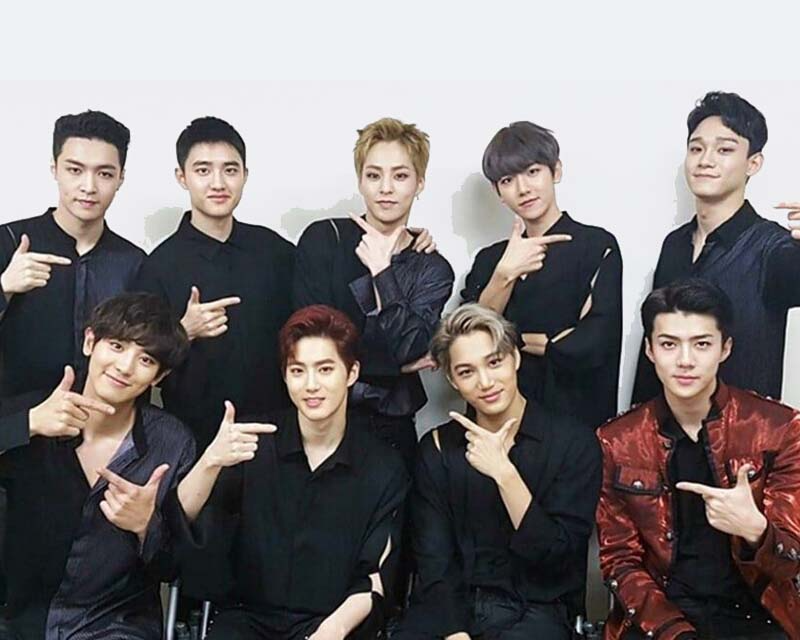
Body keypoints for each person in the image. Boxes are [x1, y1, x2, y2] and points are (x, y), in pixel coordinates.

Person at [165, 305, 409, 640]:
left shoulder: (383, 466)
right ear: (285, 376)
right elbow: (179, 529)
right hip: (246, 621)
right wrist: (210, 462)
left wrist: (333, 630)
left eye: (325, 369)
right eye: (297, 371)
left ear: (352, 372)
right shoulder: (253, 442)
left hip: (333, 624)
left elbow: (377, 575)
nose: (311, 385)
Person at [597, 279, 798, 639]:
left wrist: (756, 530)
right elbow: (620, 561)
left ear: (725, 348)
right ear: (650, 350)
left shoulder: (778, 428)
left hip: (755, 614)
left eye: (702, 344)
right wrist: (675, 632)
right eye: (669, 344)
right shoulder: (618, 440)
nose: (685, 360)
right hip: (659, 616)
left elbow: (791, 563)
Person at [396, 303, 601, 639]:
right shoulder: (437, 448)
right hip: (448, 608)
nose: (486, 382)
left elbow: (558, 556)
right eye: (467, 372)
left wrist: (505, 474)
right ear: (452, 380)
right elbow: (434, 560)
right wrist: (454, 631)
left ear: (515, 358)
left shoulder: (572, 443)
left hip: (536, 609)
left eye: (494, 362)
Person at [0, 293, 195, 639]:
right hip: (18, 618)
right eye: (117, 346)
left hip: (115, 624)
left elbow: (177, 568)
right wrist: (26, 425)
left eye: (146, 359)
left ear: (159, 376)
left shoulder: (171, 443)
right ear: (90, 342)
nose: (125, 367)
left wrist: (146, 527)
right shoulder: (28, 412)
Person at [293, 117, 454, 469]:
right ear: (360, 181)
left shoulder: (432, 268)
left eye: (400, 176)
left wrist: (382, 271)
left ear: (420, 183)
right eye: (374, 175)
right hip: (321, 421)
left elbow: (408, 346)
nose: (386, 188)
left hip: (391, 426)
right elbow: (307, 342)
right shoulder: (325, 240)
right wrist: (395, 367)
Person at [135, 116, 295, 450]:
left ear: (245, 175)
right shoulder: (157, 267)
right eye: (203, 170)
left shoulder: (275, 251)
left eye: (230, 170)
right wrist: (184, 331)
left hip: (279, 433)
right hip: (195, 440)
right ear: (182, 177)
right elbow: (138, 365)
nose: (218, 183)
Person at [632, 91, 800, 403]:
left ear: (753, 163)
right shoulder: (674, 244)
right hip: (667, 428)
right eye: (696, 148)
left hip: (745, 431)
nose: (705, 160)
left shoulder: (773, 248)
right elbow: (653, 343)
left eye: (724, 149)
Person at [462, 121, 622, 430]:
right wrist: (504, 275)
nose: (523, 189)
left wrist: (520, 342)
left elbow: (595, 340)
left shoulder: (595, 245)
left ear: (555, 171)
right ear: (498, 191)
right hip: (500, 419)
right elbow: (469, 340)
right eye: (508, 180)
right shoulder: (490, 260)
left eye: (533, 172)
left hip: (571, 415)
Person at [0, 110, 144, 407]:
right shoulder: (9, 240)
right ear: (55, 169)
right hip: (15, 423)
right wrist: (4, 287)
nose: (89, 187)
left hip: (101, 422)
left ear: (121, 178)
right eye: (75, 170)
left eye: (104, 174)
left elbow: (144, 351)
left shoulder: (134, 262)